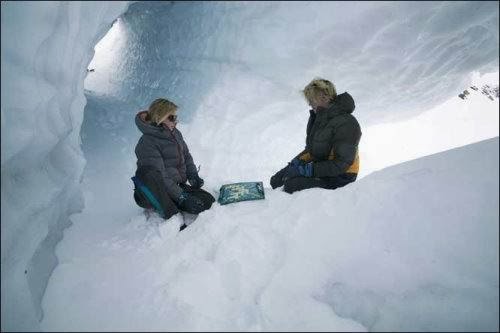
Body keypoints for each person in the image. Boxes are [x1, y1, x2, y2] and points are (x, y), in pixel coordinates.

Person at [270, 78, 361, 194]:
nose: (309, 103)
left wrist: (307, 170)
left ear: (324, 96)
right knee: (276, 181)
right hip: (324, 169)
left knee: (291, 185)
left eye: (311, 99)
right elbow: (312, 150)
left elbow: (341, 163)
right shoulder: (318, 119)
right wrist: (296, 162)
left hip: (342, 176)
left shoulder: (347, 123)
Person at [132, 98, 215, 225]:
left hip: (175, 186)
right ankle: (172, 217)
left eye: (175, 117)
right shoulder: (147, 142)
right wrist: (181, 197)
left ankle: (176, 201)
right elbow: (160, 175)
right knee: (151, 173)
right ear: (159, 116)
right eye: (171, 117)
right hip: (154, 191)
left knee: (207, 201)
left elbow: (186, 155)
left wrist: (192, 174)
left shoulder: (175, 134)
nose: (175, 121)